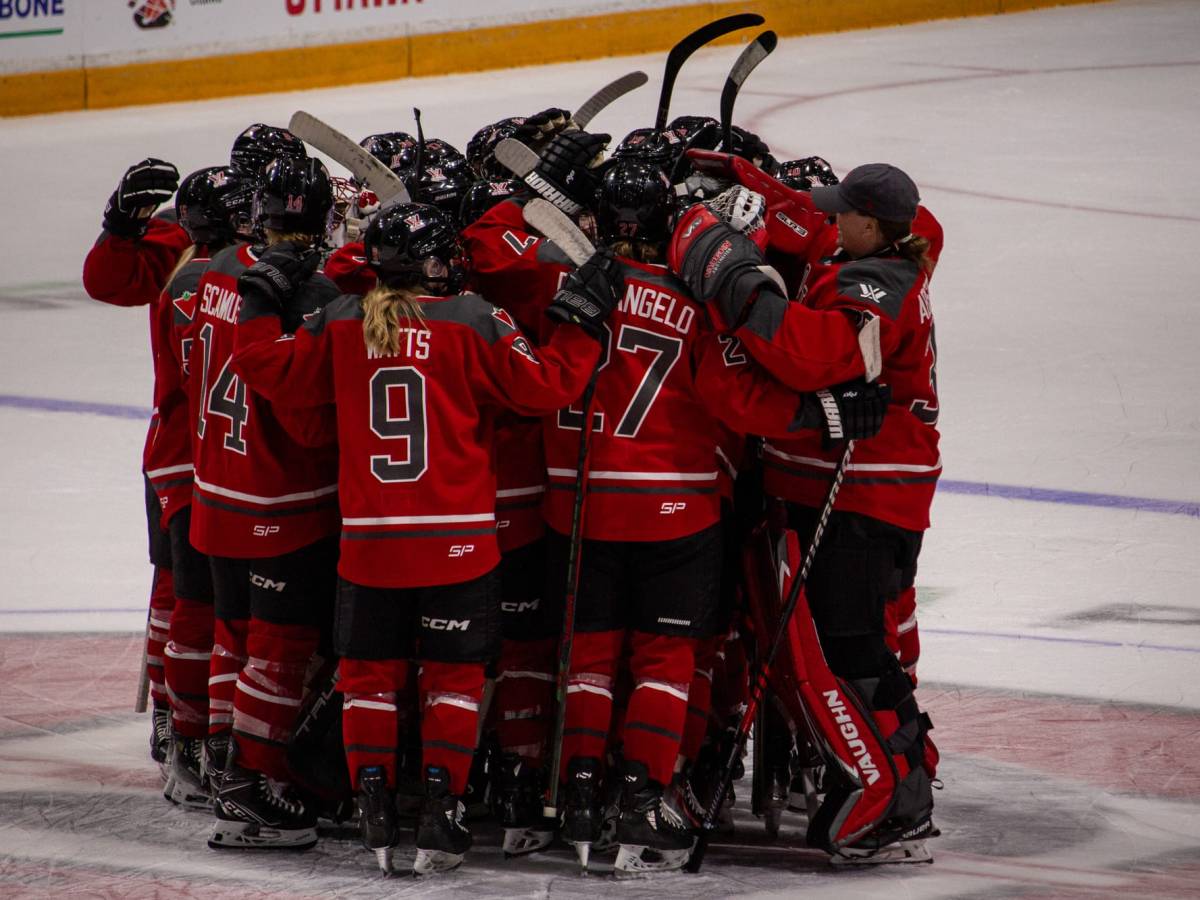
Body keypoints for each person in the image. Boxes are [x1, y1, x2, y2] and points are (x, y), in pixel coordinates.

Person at [230, 201, 618, 875]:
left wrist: (259, 298)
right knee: (454, 680)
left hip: (370, 544)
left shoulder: (344, 321)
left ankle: (375, 811)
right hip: (459, 542)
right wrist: (579, 326)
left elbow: (262, 364)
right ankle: (444, 810)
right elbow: (548, 388)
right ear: (437, 264)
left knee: (370, 679)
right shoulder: (473, 319)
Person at [670, 162, 941, 864]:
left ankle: (892, 792)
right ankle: (908, 786)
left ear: (874, 226)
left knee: (845, 650)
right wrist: (746, 175)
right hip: (865, 491)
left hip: (861, 494)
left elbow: (806, 355)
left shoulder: (876, 283)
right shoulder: (884, 253)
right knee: (857, 649)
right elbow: (811, 226)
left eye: (842, 213)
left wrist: (725, 267)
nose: (829, 222)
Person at [185, 156, 342, 851]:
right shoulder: (310, 288)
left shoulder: (219, 267)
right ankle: (252, 787)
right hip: (281, 497)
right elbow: (307, 417)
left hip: (215, 487)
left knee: (232, 637)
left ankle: (221, 765)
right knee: (277, 651)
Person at [81, 156, 189, 778]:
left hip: (264, 460)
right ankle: (177, 710)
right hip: (184, 452)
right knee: (181, 589)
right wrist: (119, 227)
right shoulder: (184, 238)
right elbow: (109, 279)